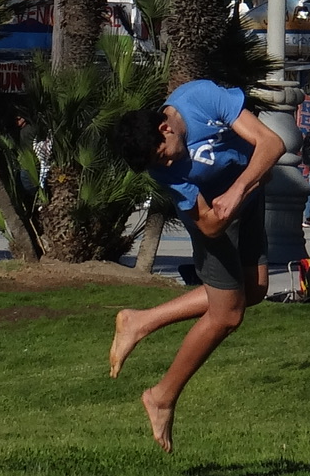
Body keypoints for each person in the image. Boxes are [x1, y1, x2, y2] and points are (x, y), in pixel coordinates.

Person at [111, 79, 285, 453]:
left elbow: (273, 143)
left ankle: (141, 320)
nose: (167, 164)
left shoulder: (201, 99)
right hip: (217, 218)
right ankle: (162, 396)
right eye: (159, 164)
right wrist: (252, 181)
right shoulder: (163, 170)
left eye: (164, 154)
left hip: (244, 198)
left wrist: (241, 188)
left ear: (165, 127)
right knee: (227, 316)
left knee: (253, 290)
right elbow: (208, 223)